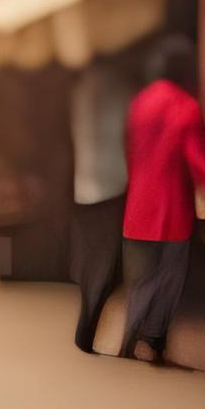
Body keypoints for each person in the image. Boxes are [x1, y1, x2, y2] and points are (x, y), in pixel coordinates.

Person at [118, 37, 205, 362]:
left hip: (138, 204)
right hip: (172, 209)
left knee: (141, 276)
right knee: (169, 276)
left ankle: (132, 333)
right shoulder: (186, 106)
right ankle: (153, 337)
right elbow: (196, 159)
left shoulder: (140, 102)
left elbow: (129, 150)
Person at [68, 59, 132, 352]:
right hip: (110, 188)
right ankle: (88, 330)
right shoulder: (119, 89)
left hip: (83, 186)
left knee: (91, 262)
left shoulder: (81, 89)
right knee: (104, 265)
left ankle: (86, 328)